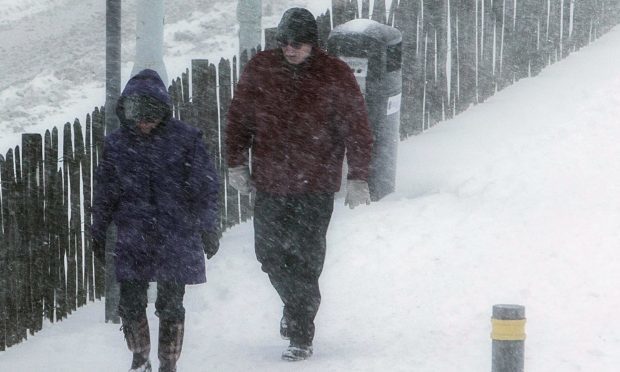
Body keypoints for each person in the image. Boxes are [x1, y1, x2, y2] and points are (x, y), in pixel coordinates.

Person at [226, 7, 373, 362]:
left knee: (306, 258)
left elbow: (357, 125)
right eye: (285, 43)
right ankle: (296, 307)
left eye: (298, 44)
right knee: (270, 254)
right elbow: (239, 117)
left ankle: (301, 332)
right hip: (272, 180)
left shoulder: (334, 74)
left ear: (313, 44)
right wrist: (235, 163)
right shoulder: (262, 68)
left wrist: (358, 175)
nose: (290, 50)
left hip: (315, 183)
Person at [92, 69, 220, 372]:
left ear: (163, 111)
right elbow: (104, 193)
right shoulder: (117, 145)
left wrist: (208, 227)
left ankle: (168, 362)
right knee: (131, 302)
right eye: (137, 114)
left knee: (171, 304)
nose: (144, 123)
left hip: (176, 234)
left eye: (151, 115)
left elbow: (204, 187)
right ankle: (140, 357)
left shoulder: (185, 141)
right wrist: (98, 232)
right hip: (134, 234)